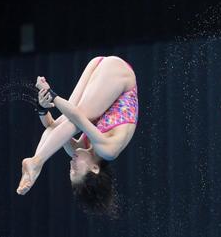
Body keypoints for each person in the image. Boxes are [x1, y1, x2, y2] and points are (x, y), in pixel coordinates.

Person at [17, 56, 138, 214]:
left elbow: (53, 126)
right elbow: (77, 116)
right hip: (120, 75)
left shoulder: (79, 150)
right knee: (76, 120)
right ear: (94, 168)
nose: (71, 165)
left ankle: (36, 161)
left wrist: (42, 108)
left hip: (98, 66)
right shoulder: (109, 151)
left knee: (67, 122)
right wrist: (51, 94)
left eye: (70, 172)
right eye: (76, 170)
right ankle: (37, 161)